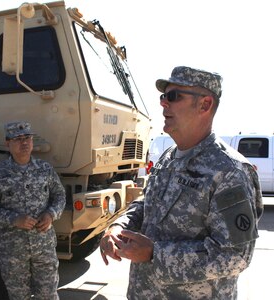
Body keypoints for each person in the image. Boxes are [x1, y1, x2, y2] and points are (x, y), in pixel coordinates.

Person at [100, 66, 264, 299]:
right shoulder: (168, 158)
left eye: (173, 96)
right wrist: (117, 228)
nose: (163, 103)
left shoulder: (229, 170)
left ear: (205, 105)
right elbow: (145, 204)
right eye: (163, 96)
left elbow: (236, 255)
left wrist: (155, 254)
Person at [0, 121, 66, 300]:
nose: (24, 143)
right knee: (19, 296)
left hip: (44, 246)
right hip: (13, 251)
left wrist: (51, 214)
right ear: (7, 143)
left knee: (48, 295)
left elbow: (60, 196)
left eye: (27, 138)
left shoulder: (45, 169)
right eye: (17, 139)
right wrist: (13, 219)